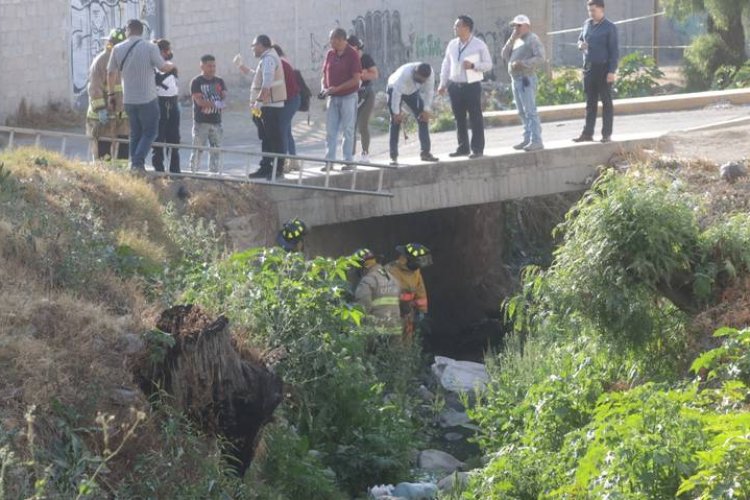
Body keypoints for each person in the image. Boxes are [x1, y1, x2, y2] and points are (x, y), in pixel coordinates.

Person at [107, 18, 175, 171]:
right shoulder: (150, 47)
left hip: (129, 99)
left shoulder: (117, 49)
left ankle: (135, 166)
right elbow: (163, 67)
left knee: (136, 132)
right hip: (147, 98)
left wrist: (111, 95)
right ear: (141, 30)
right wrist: (172, 65)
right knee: (151, 131)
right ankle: (137, 162)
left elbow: (110, 73)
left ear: (128, 30)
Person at [438, 15, 492, 159]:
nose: (454, 28)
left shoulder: (479, 44)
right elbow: (446, 64)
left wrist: (474, 65)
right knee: (459, 118)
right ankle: (463, 148)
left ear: (466, 28)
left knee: (475, 117)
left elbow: (488, 64)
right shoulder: (452, 44)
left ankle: (477, 149)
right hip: (455, 85)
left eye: (457, 25)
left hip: (471, 85)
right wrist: (442, 83)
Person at [573, 0, 619, 143]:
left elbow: (614, 51)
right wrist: (581, 45)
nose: (591, 13)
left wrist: (611, 71)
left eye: (593, 10)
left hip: (603, 69)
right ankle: (587, 133)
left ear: (601, 9)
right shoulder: (587, 24)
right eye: (589, 10)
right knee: (590, 102)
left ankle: (606, 134)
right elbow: (580, 40)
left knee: (606, 102)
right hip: (589, 68)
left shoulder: (609, 27)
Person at [501, 15, 546, 152]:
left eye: (519, 25)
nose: (516, 28)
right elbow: (504, 54)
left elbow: (541, 58)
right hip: (516, 79)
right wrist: (511, 39)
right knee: (521, 111)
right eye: (515, 26)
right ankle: (527, 138)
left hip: (526, 78)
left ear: (527, 25)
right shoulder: (516, 40)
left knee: (530, 111)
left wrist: (524, 64)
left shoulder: (532, 39)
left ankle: (536, 140)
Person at [248, 35, 287, 180]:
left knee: (274, 138)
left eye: (254, 45)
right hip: (266, 105)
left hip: (270, 105)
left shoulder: (269, 59)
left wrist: (258, 102)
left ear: (261, 45)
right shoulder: (266, 58)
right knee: (266, 137)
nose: (252, 49)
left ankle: (277, 169)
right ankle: (266, 167)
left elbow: (267, 83)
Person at [321, 28, 362, 167]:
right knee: (330, 131)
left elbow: (356, 79)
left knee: (348, 130)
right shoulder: (330, 54)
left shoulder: (352, 54)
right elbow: (324, 74)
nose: (330, 42)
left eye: (332, 39)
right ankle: (329, 161)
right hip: (332, 97)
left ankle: (348, 161)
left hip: (348, 97)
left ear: (340, 39)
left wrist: (337, 88)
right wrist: (324, 88)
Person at [86, 27, 129, 161]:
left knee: (123, 147)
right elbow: (94, 88)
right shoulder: (101, 61)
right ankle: (105, 175)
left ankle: (121, 176)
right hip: (103, 115)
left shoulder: (125, 60)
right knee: (103, 149)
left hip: (122, 116)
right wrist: (100, 110)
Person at [386, 62, 440, 165]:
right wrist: (397, 113)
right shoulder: (404, 75)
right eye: (419, 79)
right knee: (395, 121)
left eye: (422, 81)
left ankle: (425, 153)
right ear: (415, 72)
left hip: (412, 91)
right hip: (394, 89)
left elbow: (429, 92)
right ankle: (393, 156)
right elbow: (396, 95)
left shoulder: (430, 75)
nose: (421, 82)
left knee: (423, 118)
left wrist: (426, 110)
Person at [385, 243, 432, 343]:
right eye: (418, 261)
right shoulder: (391, 271)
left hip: (408, 314)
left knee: (407, 342)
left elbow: (420, 290)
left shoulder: (415, 271)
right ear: (408, 259)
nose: (419, 265)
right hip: (393, 313)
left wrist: (422, 310)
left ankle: (406, 358)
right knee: (394, 342)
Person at [189, 54, 227, 173]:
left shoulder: (219, 81)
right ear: (202, 66)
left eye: (214, 66)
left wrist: (221, 102)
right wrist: (216, 104)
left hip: (216, 122)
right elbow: (199, 101)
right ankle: (194, 173)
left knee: (216, 150)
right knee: (197, 149)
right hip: (201, 122)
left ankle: (214, 174)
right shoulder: (197, 82)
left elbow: (225, 97)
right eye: (209, 66)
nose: (212, 69)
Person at [353, 248, 401, 335]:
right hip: (395, 330)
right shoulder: (392, 278)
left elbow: (361, 309)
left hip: (376, 332)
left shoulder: (367, 281)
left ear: (362, 266)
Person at [347, 35, 378, 163]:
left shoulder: (365, 58)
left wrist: (361, 76)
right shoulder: (345, 59)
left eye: (358, 50)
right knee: (350, 126)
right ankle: (351, 156)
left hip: (366, 95)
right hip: (350, 96)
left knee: (363, 126)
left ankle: (365, 154)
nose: (358, 53)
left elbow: (375, 74)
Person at [152, 39, 181, 173]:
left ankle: (175, 169)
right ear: (162, 52)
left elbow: (173, 70)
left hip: (173, 102)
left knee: (174, 137)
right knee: (158, 137)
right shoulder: (153, 67)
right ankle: (159, 168)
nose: (170, 52)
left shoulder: (170, 66)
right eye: (168, 50)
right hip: (159, 103)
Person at [272, 44, 301, 168]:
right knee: (286, 131)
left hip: (289, 100)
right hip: (290, 100)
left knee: (281, 131)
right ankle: (293, 160)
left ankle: (283, 162)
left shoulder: (279, 64)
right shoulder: (282, 61)